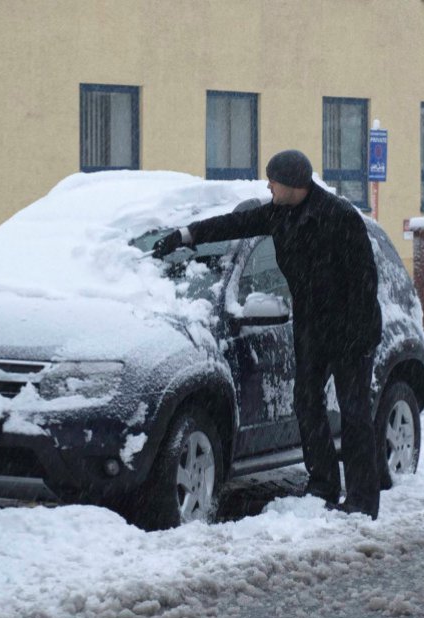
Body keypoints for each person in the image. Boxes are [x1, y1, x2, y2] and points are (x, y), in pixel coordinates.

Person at [151, 149, 384, 518]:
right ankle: (323, 483)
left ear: (293, 183)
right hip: (312, 325)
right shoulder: (278, 213)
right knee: (306, 403)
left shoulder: (339, 217)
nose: (268, 184)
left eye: (273, 179)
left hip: (351, 328)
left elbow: (364, 280)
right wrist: (186, 235)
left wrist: (355, 336)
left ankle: (362, 499)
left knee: (354, 412)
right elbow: (233, 225)